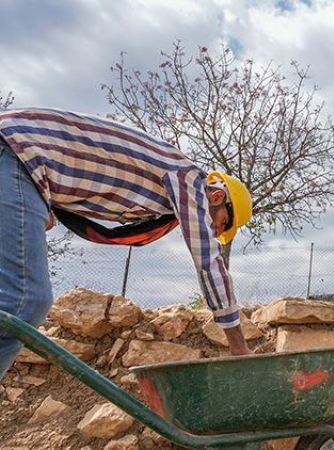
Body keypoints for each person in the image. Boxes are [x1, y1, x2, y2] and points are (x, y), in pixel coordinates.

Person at [0, 108, 254, 379]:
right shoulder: (189, 179)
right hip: (19, 156)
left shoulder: (161, 186)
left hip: (22, 162)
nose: (216, 232)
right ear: (216, 198)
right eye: (223, 224)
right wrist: (239, 346)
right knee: (27, 300)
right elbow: (208, 261)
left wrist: (46, 204)